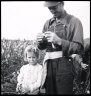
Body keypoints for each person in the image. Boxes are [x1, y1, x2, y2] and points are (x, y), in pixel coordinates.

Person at [36, 1, 84, 94]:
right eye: (49, 8)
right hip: (49, 64)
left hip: (64, 64)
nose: (51, 10)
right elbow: (43, 47)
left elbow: (79, 47)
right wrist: (40, 41)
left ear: (62, 4)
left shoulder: (74, 21)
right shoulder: (48, 23)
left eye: (54, 7)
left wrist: (60, 41)